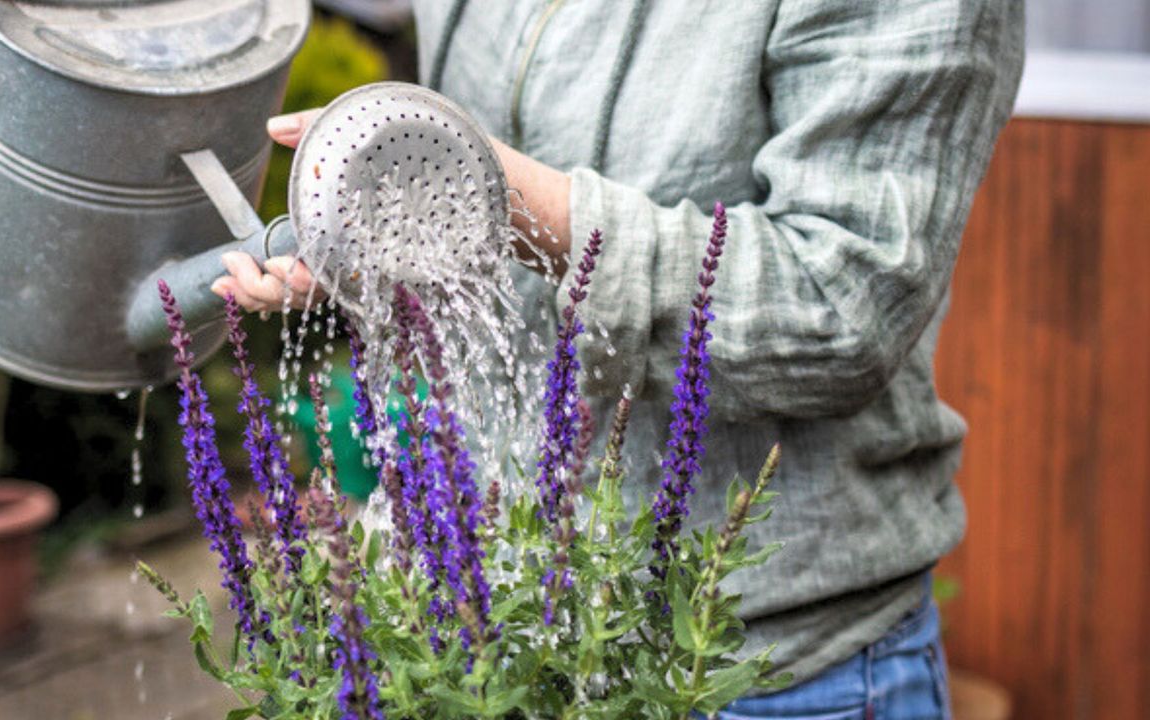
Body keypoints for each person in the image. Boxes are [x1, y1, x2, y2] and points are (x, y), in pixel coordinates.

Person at [213, 2, 1025, 717]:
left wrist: (508, 199)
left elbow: (841, 308)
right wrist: (371, 238)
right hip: (501, 633)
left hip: (758, 670)